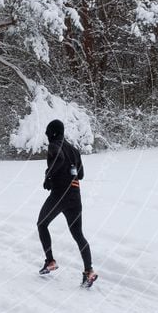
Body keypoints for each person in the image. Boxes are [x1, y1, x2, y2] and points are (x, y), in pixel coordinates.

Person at [37, 119, 97, 288]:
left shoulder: (54, 145)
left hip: (60, 194)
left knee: (42, 224)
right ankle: (89, 271)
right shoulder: (75, 150)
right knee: (78, 234)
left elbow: (59, 158)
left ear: (53, 133)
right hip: (75, 196)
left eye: (48, 132)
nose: (47, 135)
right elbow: (81, 174)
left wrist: (48, 176)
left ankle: (50, 261)